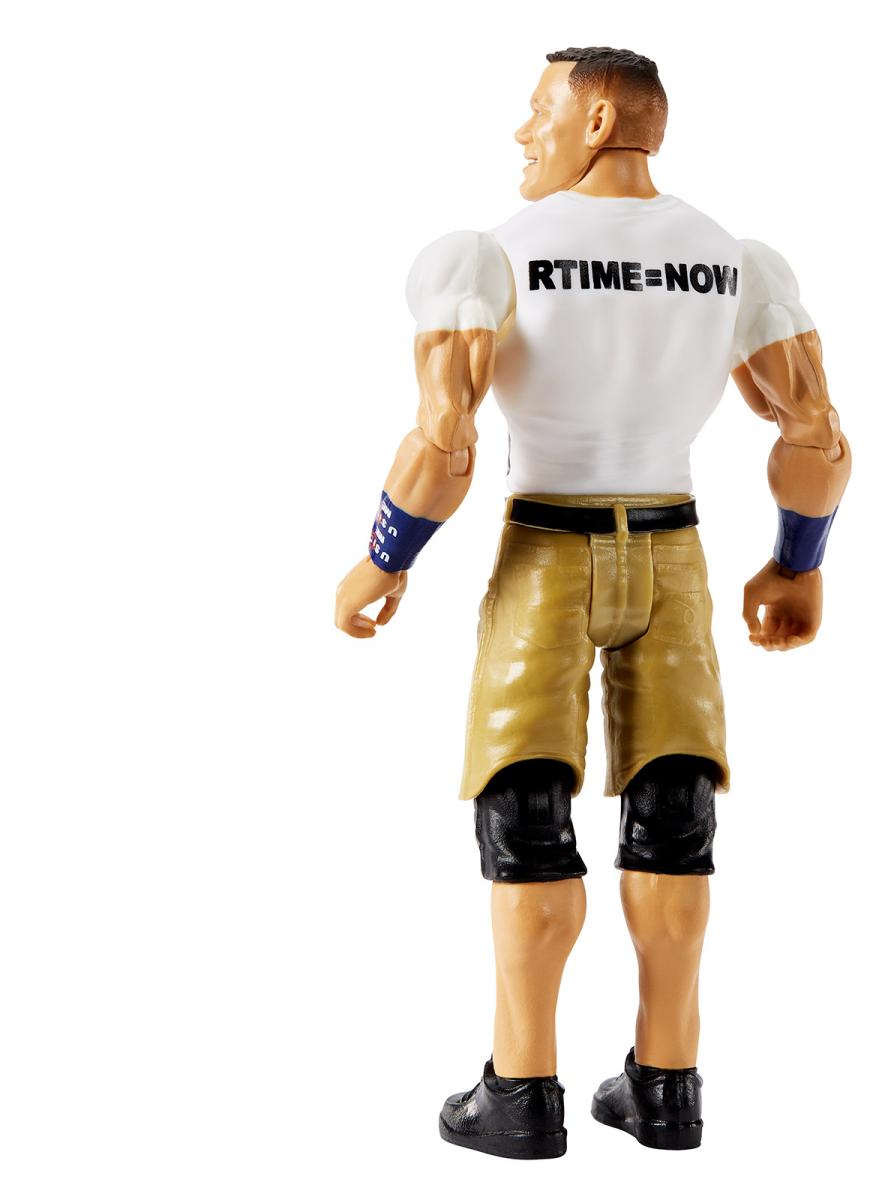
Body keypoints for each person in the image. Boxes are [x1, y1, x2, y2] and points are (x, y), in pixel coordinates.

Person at [334, 46, 851, 1159]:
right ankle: (666, 1086)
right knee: (675, 806)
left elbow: (445, 441)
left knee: (525, 805)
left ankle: (522, 1094)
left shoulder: (492, 254)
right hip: (672, 554)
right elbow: (816, 433)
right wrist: (797, 562)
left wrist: (384, 559)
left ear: (600, 117)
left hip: (548, 552)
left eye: (539, 108)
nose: (523, 131)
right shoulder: (730, 258)